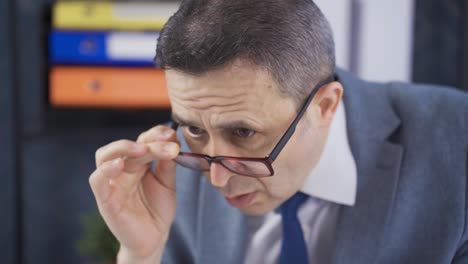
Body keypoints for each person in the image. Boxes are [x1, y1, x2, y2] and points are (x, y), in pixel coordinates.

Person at [88, 0, 468, 263]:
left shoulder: (457, 143)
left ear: (325, 106)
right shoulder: (177, 168)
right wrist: (141, 255)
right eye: (192, 126)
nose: (216, 178)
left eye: (243, 132)